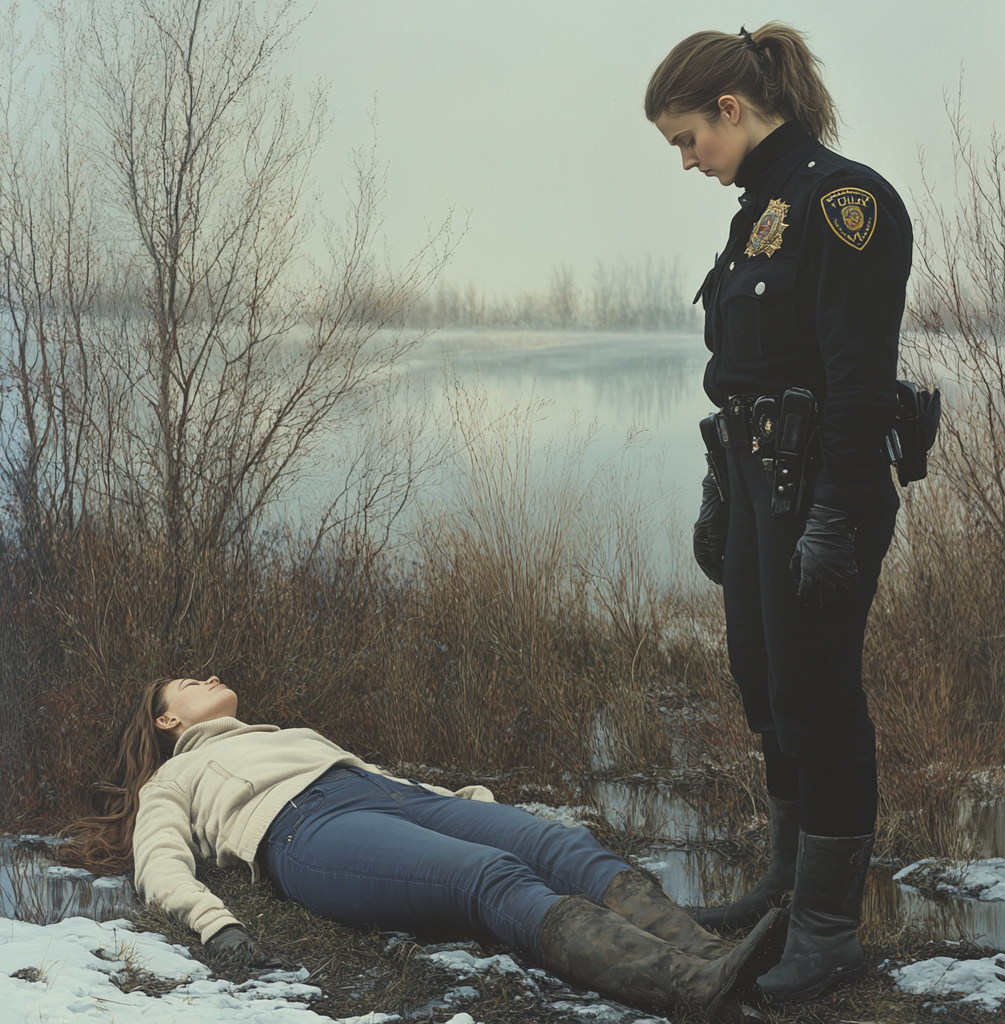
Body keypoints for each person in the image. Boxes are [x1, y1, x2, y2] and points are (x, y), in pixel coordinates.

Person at [644, 23, 911, 1003]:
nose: (685, 161)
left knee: (817, 696)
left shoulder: (845, 203)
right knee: (763, 683)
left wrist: (838, 514)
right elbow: (744, 371)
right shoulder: (758, 206)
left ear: (730, 109)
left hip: (822, 485)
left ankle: (830, 933)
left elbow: (855, 379)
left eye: (687, 139)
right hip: (758, 476)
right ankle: (787, 890)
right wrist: (724, 489)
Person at [63, 675, 787, 1019]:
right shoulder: (177, 776)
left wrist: (468, 806)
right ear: (164, 719)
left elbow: (389, 783)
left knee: (562, 846)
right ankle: (688, 991)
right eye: (190, 683)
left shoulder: (284, 734)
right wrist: (214, 921)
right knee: (489, 877)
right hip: (309, 833)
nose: (211, 677)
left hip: (394, 799)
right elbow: (159, 862)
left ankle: (715, 963)